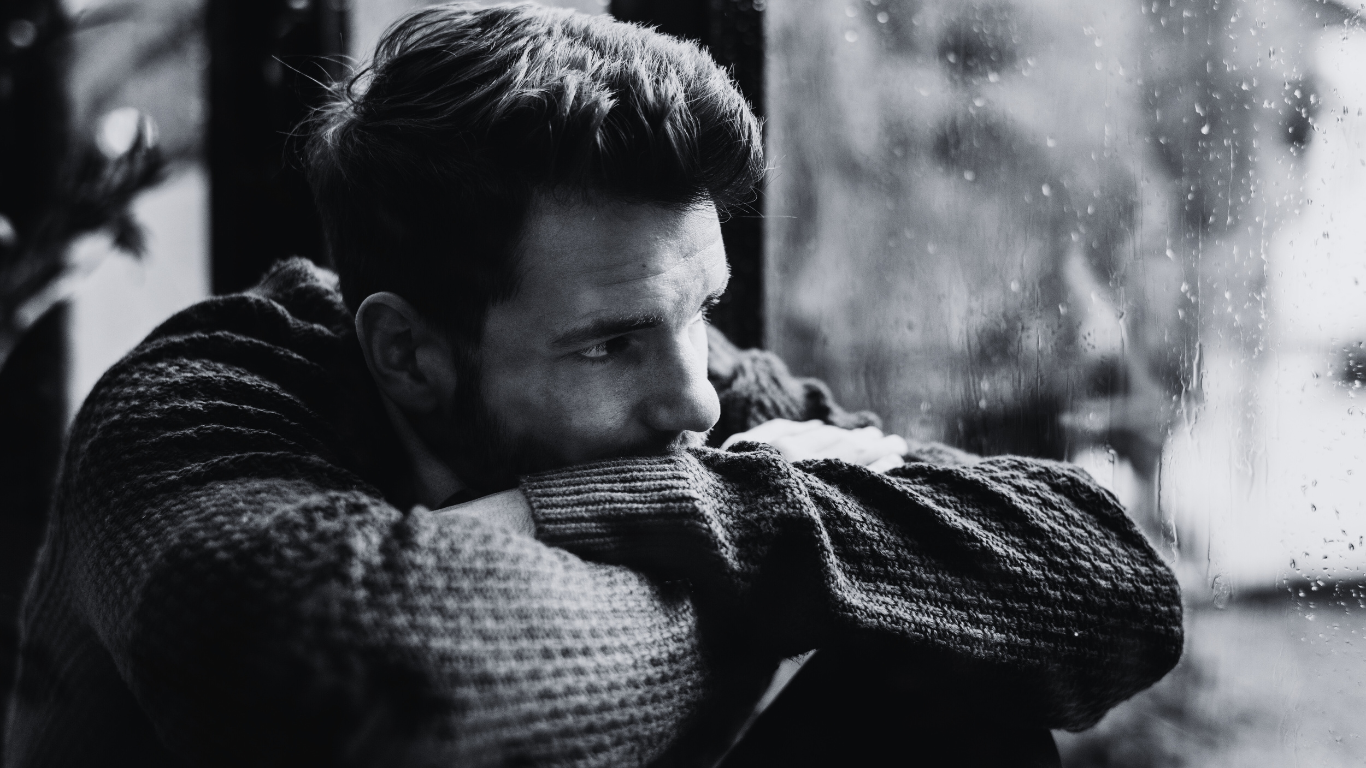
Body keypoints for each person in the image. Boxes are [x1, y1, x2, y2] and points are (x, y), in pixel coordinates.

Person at [3, 4, 1183, 766]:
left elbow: (1109, 589)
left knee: (944, 705)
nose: (699, 405)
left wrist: (660, 511)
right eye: (607, 344)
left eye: (704, 307)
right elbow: (349, 686)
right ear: (409, 351)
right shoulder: (194, 410)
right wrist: (802, 579)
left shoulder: (689, 375)